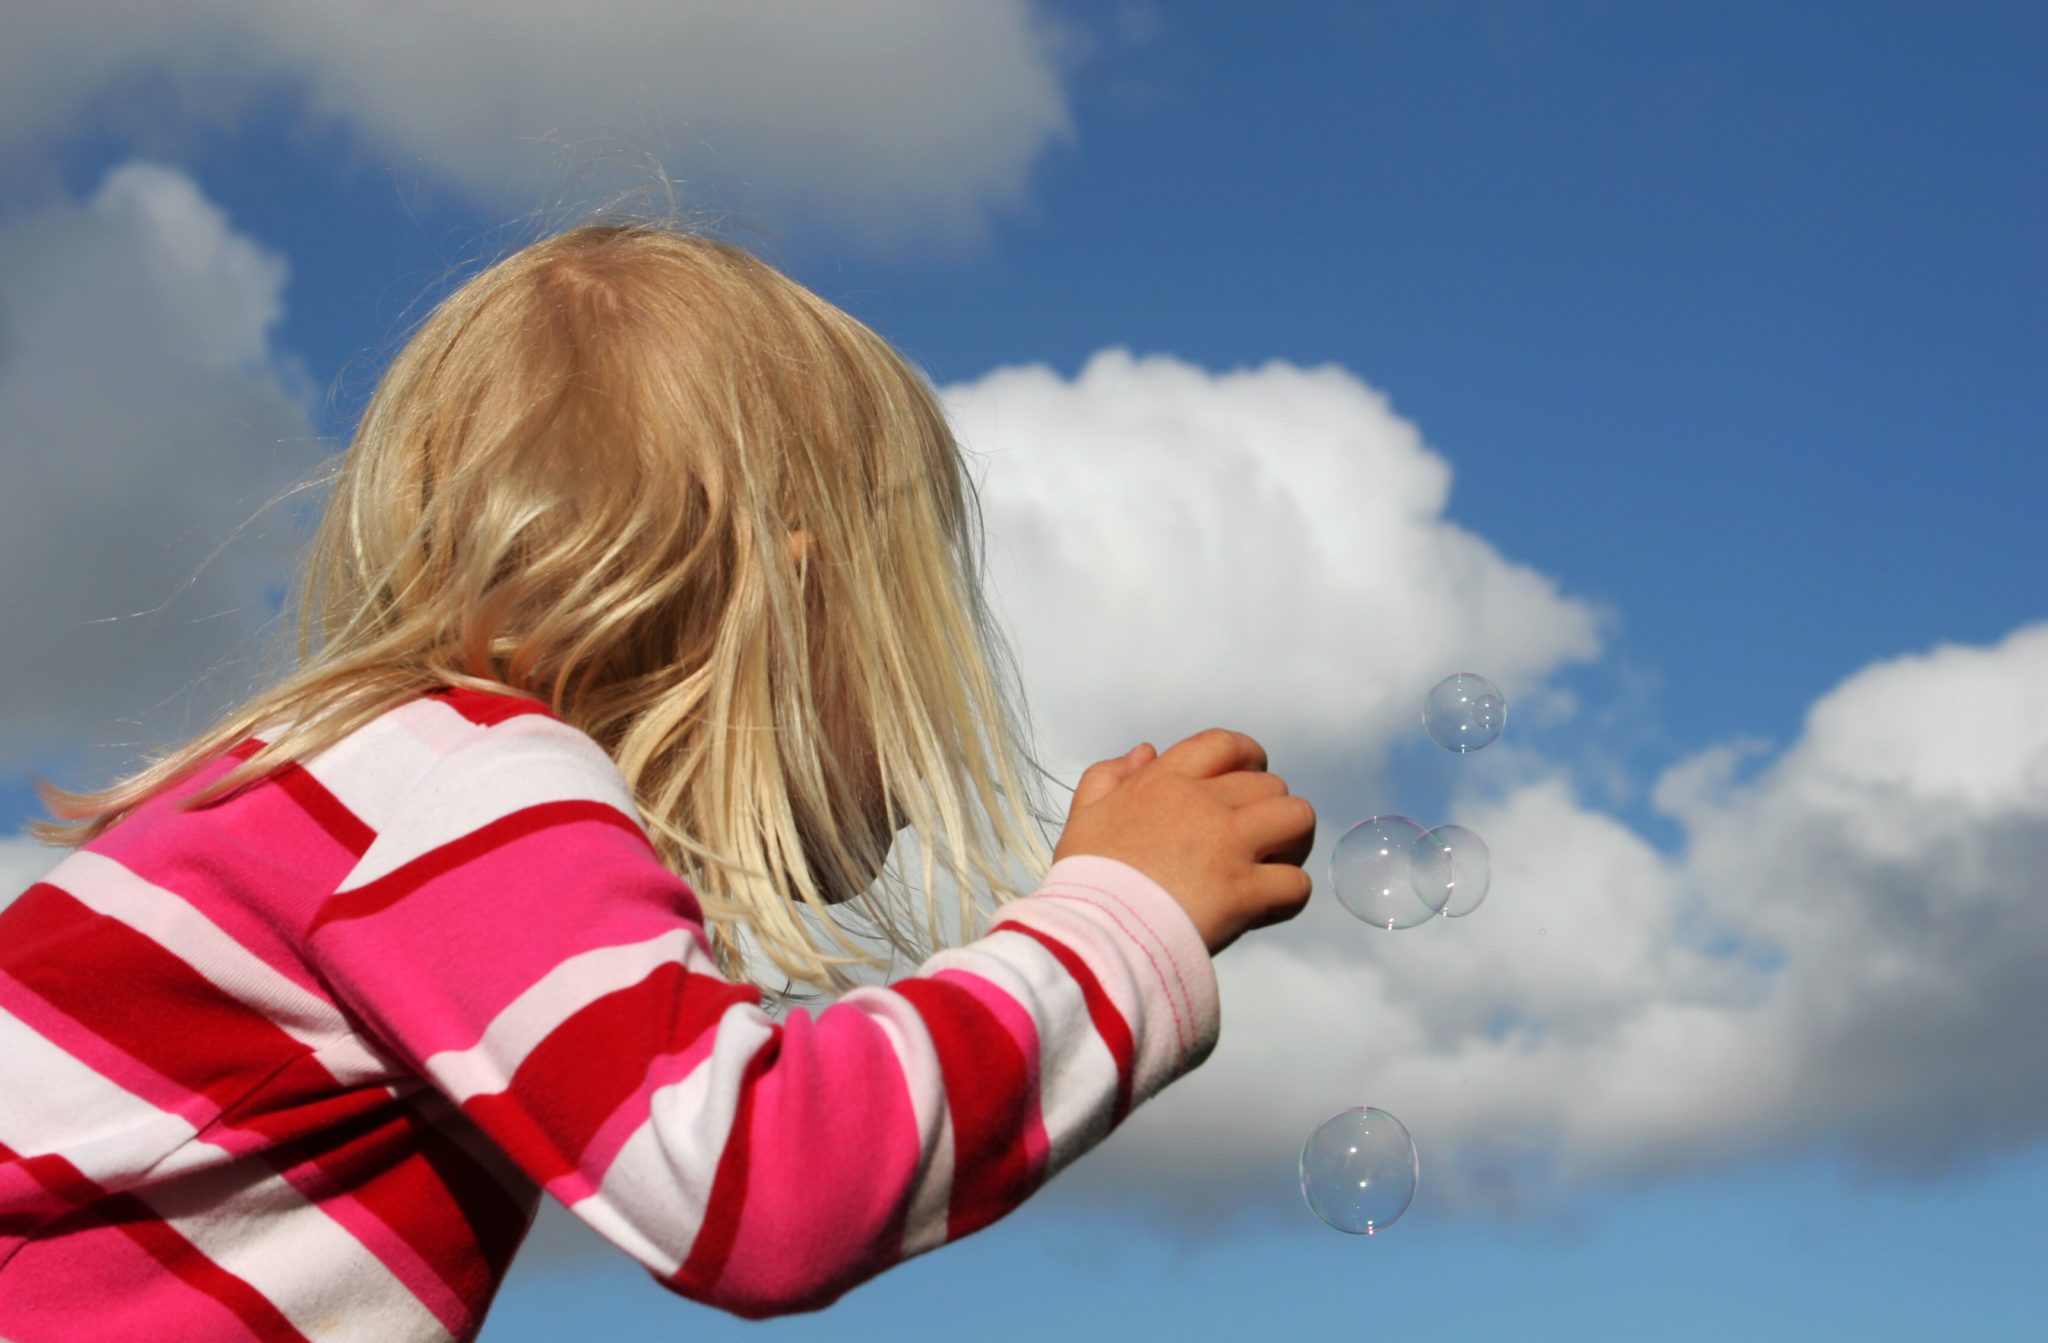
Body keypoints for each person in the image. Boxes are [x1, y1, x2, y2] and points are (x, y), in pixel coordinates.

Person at [0, 219, 1316, 1340]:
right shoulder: (461, 780)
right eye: (914, 626)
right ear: (790, 605)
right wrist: (1120, 922)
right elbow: (768, 1186)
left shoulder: (380, 794)